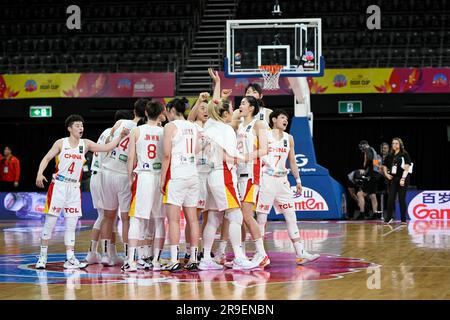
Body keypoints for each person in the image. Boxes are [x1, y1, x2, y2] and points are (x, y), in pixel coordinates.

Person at [35, 115, 129, 269]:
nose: (81, 128)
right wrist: (40, 173)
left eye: (82, 125)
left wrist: (120, 135)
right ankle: (42, 257)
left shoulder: (85, 144)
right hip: (58, 186)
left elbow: (107, 147)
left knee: (71, 225)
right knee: (50, 223)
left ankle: (70, 258)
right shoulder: (61, 143)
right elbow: (46, 158)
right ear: (69, 128)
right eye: (77, 125)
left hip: (73, 188)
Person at [198, 98, 259, 270]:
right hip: (223, 173)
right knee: (236, 216)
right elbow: (226, 156)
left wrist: (216, 86)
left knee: (213, 218)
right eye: (231, 109)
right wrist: (247, 157)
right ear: (225, 114)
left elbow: (213, 106)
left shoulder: (209, 125)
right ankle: (239, 258)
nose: (234, 111)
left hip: (210, 175)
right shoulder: (226, 130)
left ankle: (206, 259)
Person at [256, 110, 320, 264]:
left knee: (291, 217)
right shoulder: (265, 134)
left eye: (287, 118)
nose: (286, 120)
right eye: (283, 117)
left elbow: (292, 161)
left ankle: (300, 253)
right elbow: (259, 154)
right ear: (274, 120)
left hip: (283, 181)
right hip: (267, 180)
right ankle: (260, 254)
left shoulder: (289, 138)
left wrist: (298, 180)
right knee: (261, 218)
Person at [99, 99, 146, 267]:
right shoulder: (142, 131)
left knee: (108, 216)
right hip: (123, 174)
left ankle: (105, 255)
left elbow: (106, 143)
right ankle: (128, 256)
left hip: (107, 170)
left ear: (134, 110)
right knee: (126, 218)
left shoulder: (120, 122)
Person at [84, 109, 132, 265]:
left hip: (98, 174)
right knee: (105, 217)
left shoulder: (106, 132)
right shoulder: (122, 133)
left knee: (108, 217)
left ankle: (110, 253)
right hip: (105, 174)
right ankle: (92, 252)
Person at [124, 101, 166, 272]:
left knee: (137, 218)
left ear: (146, 113)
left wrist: (129, 179)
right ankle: (156, 260)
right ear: (161, 113)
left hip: (143, 176)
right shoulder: (165, 131)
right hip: (159, 177)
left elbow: (131, 158)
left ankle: (132, 260)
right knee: (159, 219)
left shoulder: (136, 130)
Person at [160, 98, 200, 271]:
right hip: (193, 174)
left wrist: (162, 179)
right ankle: (193, 257)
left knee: (174, 220)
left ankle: (174, 259)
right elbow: (197, 149)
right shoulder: (193, 126)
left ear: (170, 109)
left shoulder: (170, 127)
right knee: (192, 219)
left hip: (177, 176)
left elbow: (166, 155)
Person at [234, 96, 269, 267]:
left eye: (243, 103)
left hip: (250, 174)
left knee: (247, 216)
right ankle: (240, 254)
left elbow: (264, 149)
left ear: (252, 108)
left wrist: (246, 157)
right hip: (239, 172)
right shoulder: (239, 125)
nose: (240, 106)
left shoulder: (258, 124)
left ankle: (262, 254)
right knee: (239, 217)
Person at [383, 138, 412, 224]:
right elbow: (384, 166)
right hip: (393, 179)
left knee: (401, 199)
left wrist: (403, 178)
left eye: (396, 143)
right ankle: (389, 217)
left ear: (400, 144)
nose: (394, 145)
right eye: (393, 143)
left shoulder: (404, 154)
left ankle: (403, 219)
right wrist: (386, 174)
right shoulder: (390, 155)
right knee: (390, 198)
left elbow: (407, 167)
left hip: (403, 178)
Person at [357, 140, 379, 219]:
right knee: (372, 195)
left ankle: (362, 214)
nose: (362, 149)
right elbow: (375, 163)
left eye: (362, 147)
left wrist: (365, 170)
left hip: (371, 176)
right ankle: (375, 214)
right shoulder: (373, 150)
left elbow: (369, 159)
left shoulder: (368, 149)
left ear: (364, 145)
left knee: (360, 194)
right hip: (375, 175)